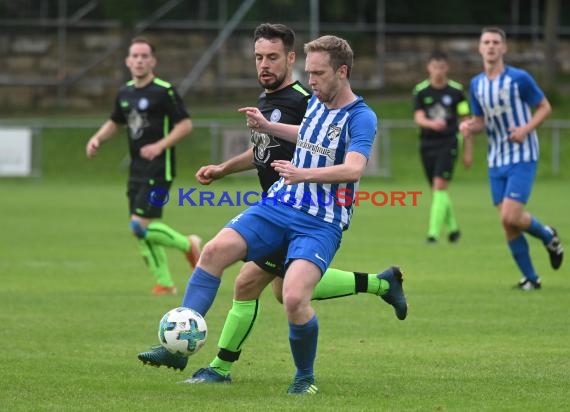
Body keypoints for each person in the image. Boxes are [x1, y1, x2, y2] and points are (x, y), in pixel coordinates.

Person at [138, 24, 407, 384]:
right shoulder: (315, 104)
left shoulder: (361, 116)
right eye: (308, 73)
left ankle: (303, 379)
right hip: (279, 205)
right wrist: (268, 126)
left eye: (317, 73)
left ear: (342, 72)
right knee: (215, 252)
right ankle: (183, 346)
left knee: (293, 297)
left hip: (319, 220)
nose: (310, 80)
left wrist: (302, 174)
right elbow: (305, 134)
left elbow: (355, 169)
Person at [85, 37, 201, 295]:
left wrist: (160, 146)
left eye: (144, 56)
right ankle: (165, 283)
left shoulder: (164, 91)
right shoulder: (125, 92)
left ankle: (188, 245)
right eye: (134, 56)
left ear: (152, 61)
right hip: (136, 169)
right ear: (128, 61)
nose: (139, 60)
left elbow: (185, 125)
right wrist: (97, 138)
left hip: (161, 167)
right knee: (140, 230)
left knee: (139, 225)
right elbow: (115, 121)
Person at [459, 27, 563, 290]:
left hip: (523, 155)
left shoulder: (519, 78)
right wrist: (470, 127)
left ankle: (548, 236)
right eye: (486, 42)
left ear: (504, 48)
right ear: (480, 48)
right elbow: (480, 122)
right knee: (507, 221)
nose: (491, 46)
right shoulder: (476, 84)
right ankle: (531, 277)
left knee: (511, 214)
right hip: (496, 159)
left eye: (496, 42)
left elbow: (545, 107)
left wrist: (525, 129)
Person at [413, 50, 470, 244]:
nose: (438, 71)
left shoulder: (456, 92)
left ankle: (433, 234)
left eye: (442, 67)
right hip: (427, 144)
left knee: (439, 186)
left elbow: (465, 120)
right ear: (429, 67)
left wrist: (468, 150)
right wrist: (431, 124)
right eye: (434, 66)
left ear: (447, 68)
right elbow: (419, 116)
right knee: (439, 191)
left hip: (449, 142)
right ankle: (454, 229)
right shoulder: (421, 91)